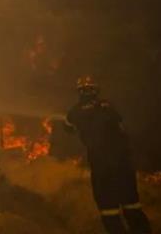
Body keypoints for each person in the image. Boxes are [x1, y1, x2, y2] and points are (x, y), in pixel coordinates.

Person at [65, 76, 151, 234]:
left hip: (101, 167)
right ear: (95, 91)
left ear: (79, 92)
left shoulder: (74, 112)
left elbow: (68, 128)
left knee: (108, 209)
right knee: (131, 203)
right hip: (123, 163)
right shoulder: (108, 106)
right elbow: (121, 125)